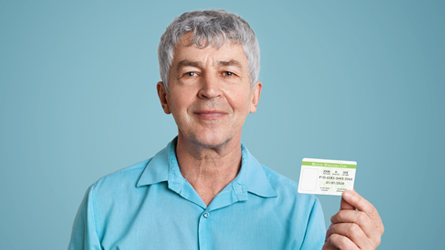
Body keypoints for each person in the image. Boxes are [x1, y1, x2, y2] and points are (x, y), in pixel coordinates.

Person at [68, 9, 384, 250]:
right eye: (191, 73)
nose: (210, 90)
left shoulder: (300, 212)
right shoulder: (104, 203)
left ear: (254, 96)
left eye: (228, 72)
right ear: (165, 97)